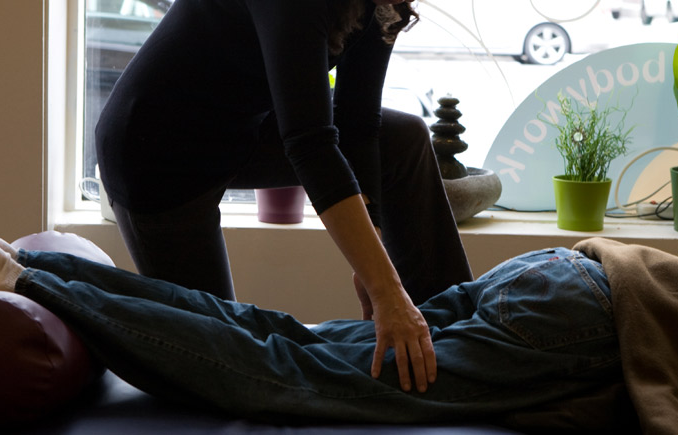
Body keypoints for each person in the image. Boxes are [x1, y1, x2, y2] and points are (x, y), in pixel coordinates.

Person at [94, 0, 474, 391]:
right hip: (157, 150)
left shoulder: (383, 5)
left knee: (403, 138)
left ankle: (463, 347)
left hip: (240, 129)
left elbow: (357, 122)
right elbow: (311, 144)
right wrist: (387, 291)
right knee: (227, 368)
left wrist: (373, 260)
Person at [0, 235, 620, 426]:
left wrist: (383, 282)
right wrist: (385, 282)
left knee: (280, 335)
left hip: (566, 276)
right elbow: (317, 138)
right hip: (584, 324)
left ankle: (19, 262)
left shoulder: (367, 17)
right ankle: (23, 280)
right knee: (289, 375)